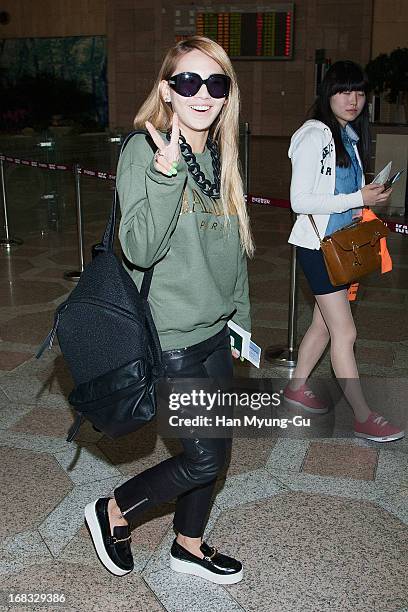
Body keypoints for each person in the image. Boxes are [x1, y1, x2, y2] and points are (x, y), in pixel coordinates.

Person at [84, 36, 253, 583]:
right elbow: (139, 247)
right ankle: (113, 512)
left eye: (215, 83)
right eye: (188, 82)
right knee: (202, 458)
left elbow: (235, 252)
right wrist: (164, 173)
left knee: (217, 451)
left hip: (214, 332)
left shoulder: (220, 157)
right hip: (170, 337)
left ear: (227, 95)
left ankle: (189, 543)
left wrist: (240, 321)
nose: (202, 94)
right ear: (167, 90)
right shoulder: (144, 151)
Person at [284, 60, 404, 443]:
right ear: (328, 93)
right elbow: (299, 199)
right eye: (344, 90)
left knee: (323, 325)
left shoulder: (346, 135)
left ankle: (296, 388)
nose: (353, 99)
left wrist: (369, 195)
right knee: (345, 332)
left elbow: (339, 193)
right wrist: (358, 196)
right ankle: (363, 415)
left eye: (360, 92)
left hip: (342, 246)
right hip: (319, 248)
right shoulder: (314, 135)